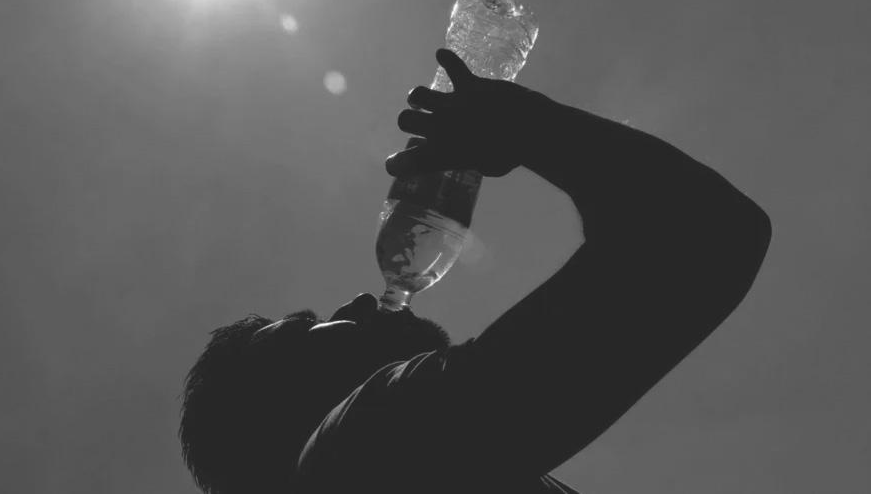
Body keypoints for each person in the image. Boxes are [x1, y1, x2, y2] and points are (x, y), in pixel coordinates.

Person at [179, 49, 772, 494]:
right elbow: (704, 234)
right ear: (275, 412)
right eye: (306, 327)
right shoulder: (361, 440)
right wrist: (534, 129)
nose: (355, 301)